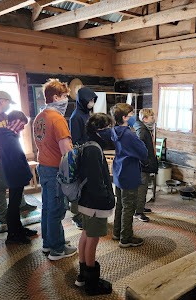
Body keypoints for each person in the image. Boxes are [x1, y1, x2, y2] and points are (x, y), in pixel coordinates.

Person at [33, 79, 77, 260]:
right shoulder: (57, 119)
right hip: (56, 169)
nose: (67, 100)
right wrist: (74, 173)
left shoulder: (39, 117)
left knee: (46, 208)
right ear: (56, 97)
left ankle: (48, 243)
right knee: (56, 210)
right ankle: (58, 249)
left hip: (43, 166)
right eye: (65, 96)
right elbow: (66, 150)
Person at [0, 91, 36, 224]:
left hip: (9, 157)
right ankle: (3, 214)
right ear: (1, 101)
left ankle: (21, 205)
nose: (9, 105)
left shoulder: (6, 116)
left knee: (16, 181)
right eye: (8, 102)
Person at [75, 113, 115, 296]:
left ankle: (83, 275)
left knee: (86, 234)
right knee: (93, 239)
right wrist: (106, 199)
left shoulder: (89, 145)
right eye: (107, 128)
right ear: (98, 130)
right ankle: (91, 283)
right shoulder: (93, 149)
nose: (110, 131)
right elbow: (96, 181)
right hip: (94, 203)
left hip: (86, 201)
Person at [0, 110, 37, 244]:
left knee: (15, 204)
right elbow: (16, 158)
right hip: (15, 175)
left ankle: (18, 229)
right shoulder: (9, 137)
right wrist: (24, 173)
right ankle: (13, 235)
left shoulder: (10, 135)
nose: (23, 127)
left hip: (14, 175)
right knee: (13, 206)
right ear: (17, 122)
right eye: (22, 124)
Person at [110, 103, 148, 248]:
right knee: (129, 206)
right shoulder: (130, 134)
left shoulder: (115, 130)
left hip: (119, 172)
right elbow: (143, 153)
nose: (134, 117)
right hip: (130, 172)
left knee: (120, 203)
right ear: (125, 118)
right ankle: (125, 238)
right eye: (131, 115)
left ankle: (117, 232)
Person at [68, 87, 97, 230]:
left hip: (88, 154)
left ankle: (85, 212)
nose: (92, 102)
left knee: (86, 187)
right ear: (83, 100)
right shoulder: (76, 117)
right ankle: (77, 217)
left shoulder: (86, 114)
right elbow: (76, 140)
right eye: (90, 100)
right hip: (80, 156)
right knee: (78, 187)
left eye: (93, 100)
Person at [132, 109, 158, 222]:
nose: (153, 120)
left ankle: (140, 207)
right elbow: (139, 148)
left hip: (144, 164)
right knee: (141, 189)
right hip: (142, 166)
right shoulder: (142, 131)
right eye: (152, 117)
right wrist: (145, 162)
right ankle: (138, 212)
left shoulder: (145, 129)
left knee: (144, 187)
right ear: (145, 119)